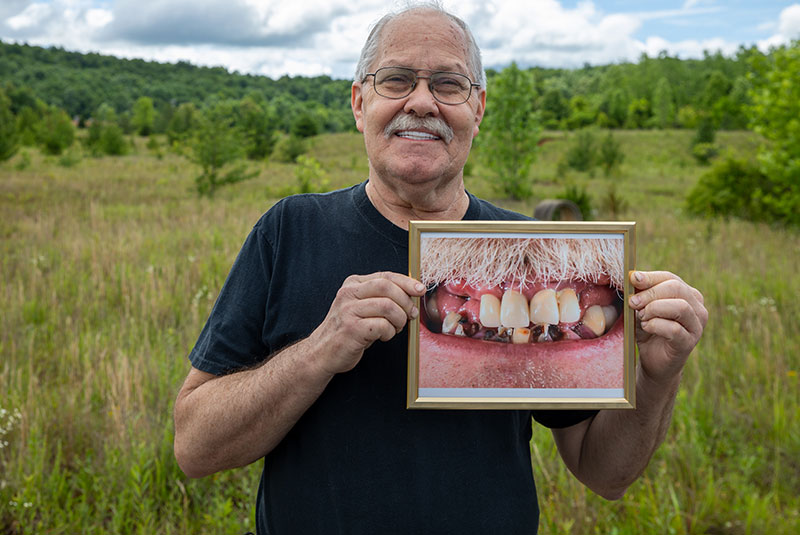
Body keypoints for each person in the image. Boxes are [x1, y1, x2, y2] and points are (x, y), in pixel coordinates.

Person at [173, 4, 708, 534]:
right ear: (360, 103)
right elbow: (195, 449)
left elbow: (604, 473)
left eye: (449, 84)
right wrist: (320, 350)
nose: (423, 102)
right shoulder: (289, 230)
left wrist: (658, 375)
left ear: (477, 108)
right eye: (397, 79)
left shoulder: (534, 251)